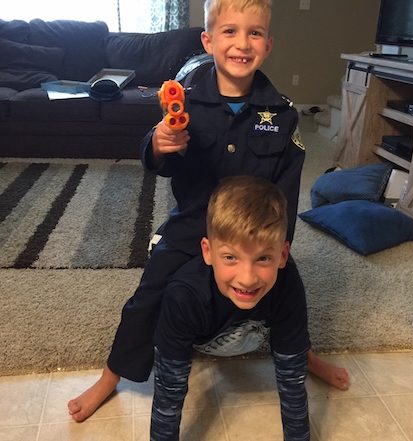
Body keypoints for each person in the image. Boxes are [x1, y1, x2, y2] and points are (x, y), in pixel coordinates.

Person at [68, 0, 348, 423]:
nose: (242, 43)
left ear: (268, 44)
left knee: (289, 288)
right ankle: (112, 375)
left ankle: (302, 354)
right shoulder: (186, 102)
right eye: (230, 31)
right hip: (194, 223)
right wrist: (159, 144)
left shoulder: (283, 114)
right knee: (149, 293)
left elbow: (287, 190)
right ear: (208, 40)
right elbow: (158, 159)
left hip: (254, 231)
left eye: (254, 33)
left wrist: (279, 246)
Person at [151, 175, 310, 440]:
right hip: (195, 329)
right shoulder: (184, 295)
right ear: (207, 252)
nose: (247, 278)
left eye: (263, 258)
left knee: (297, 351)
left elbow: (293, 380)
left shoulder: (288, 285)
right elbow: (169, 389)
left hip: (243, 330)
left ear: (283, 255)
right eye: (230, 257)